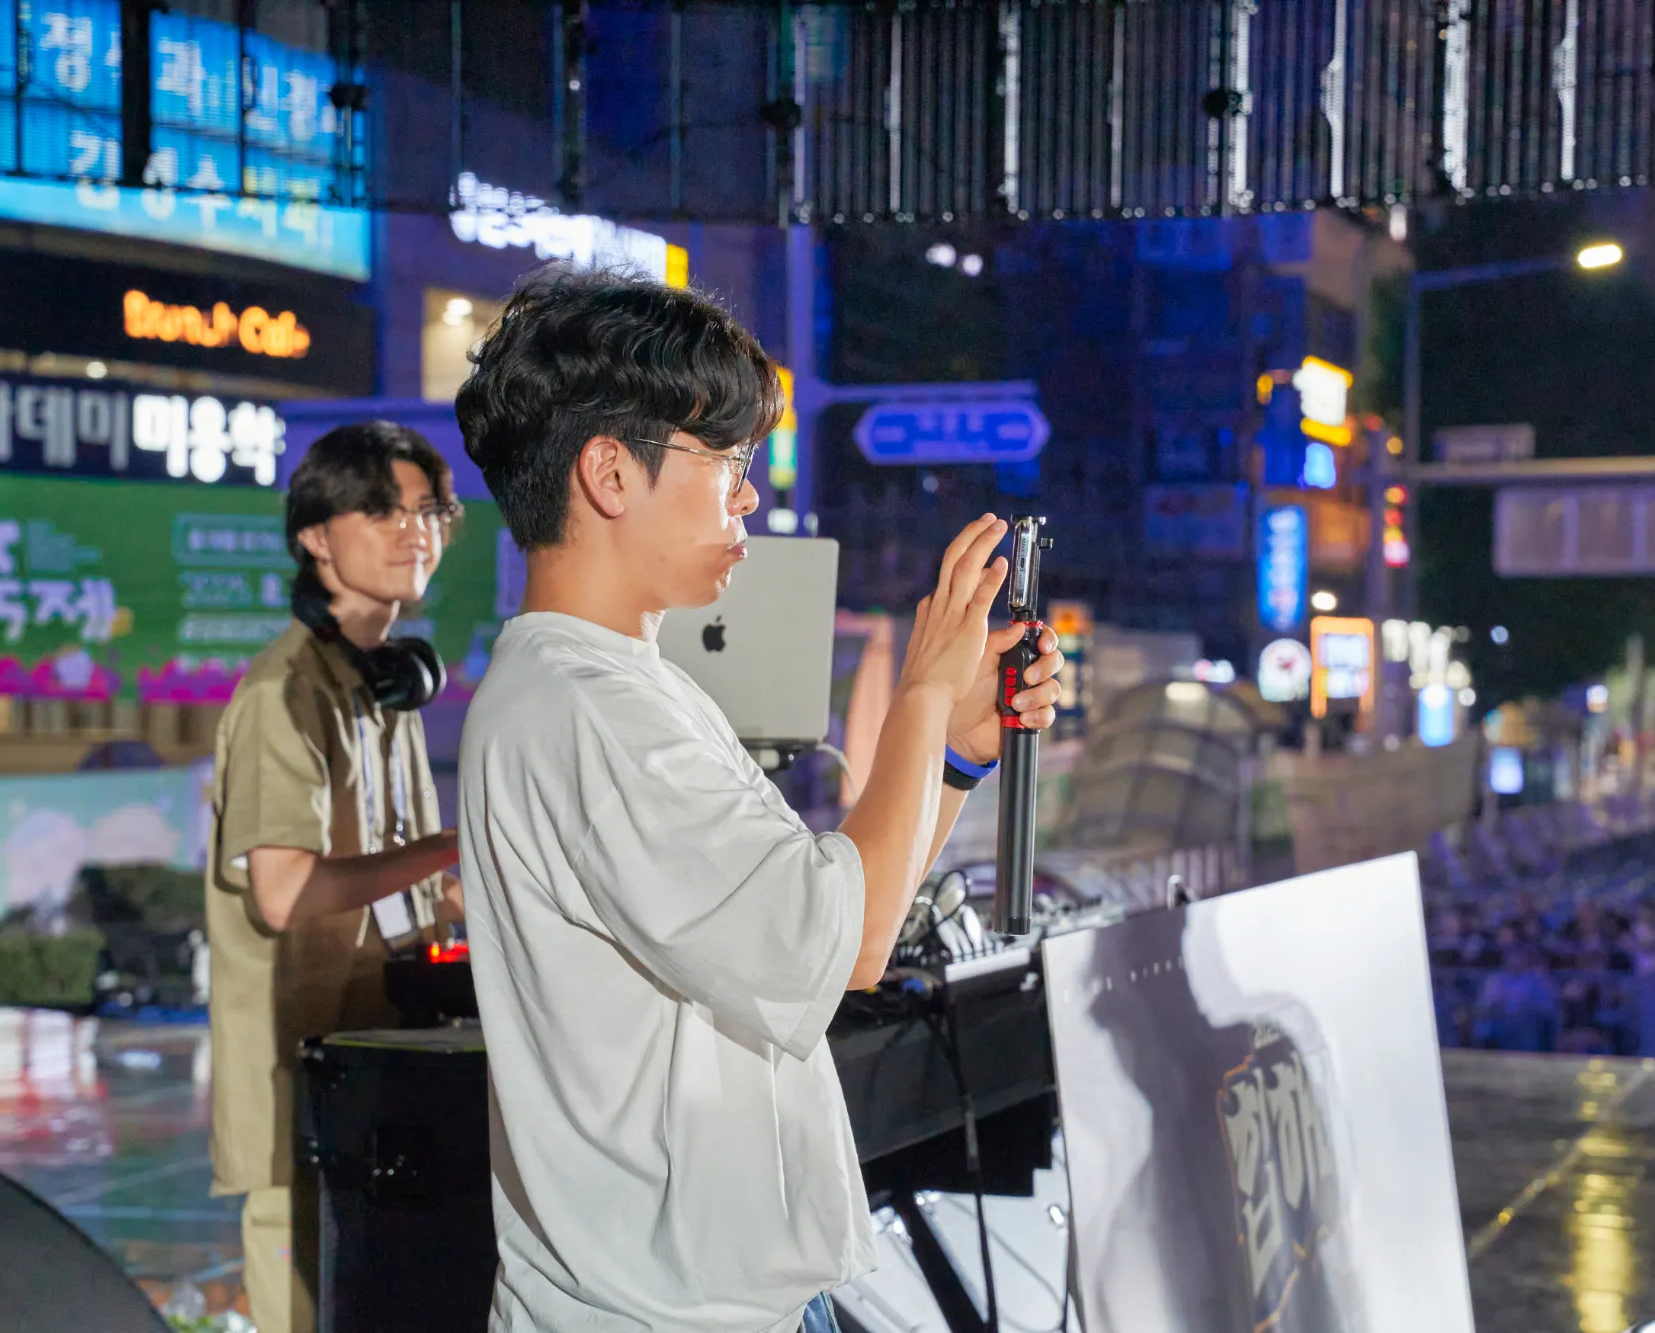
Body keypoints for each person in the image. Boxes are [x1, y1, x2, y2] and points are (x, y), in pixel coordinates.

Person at [453, 266, 1064, 1332]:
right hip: (657, 1313)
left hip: (701, 1297)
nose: (747, 496)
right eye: (726, 461)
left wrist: (953, 757)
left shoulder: (613, 687)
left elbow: (838, 911)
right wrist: (921, 695)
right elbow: (842, 946)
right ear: (609, 472)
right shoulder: (591, 710)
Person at [204, 422, 464, 1333]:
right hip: (300, 1089)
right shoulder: (285, 692)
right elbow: (284, 893)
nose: (414, 531)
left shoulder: (385, 687)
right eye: (382, 510)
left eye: (428, 511)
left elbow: (406, 883)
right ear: (316, 535)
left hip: (375, 1065)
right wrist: (451, 847)